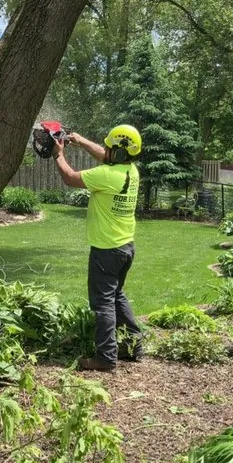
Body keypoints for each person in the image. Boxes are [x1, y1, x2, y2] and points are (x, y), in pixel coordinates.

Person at [53, 125, 143, 371]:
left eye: (109, 147)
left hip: (106, 251)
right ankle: (133, 346)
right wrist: (81, 140)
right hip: (125, 247)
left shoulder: (106, 175)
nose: (105, 150)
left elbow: (70, 178)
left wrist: (58, 154)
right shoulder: (131, 170)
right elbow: (106, 156)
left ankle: (105, 358)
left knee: (103, 303)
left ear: (119, 153)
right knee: (116, 295)